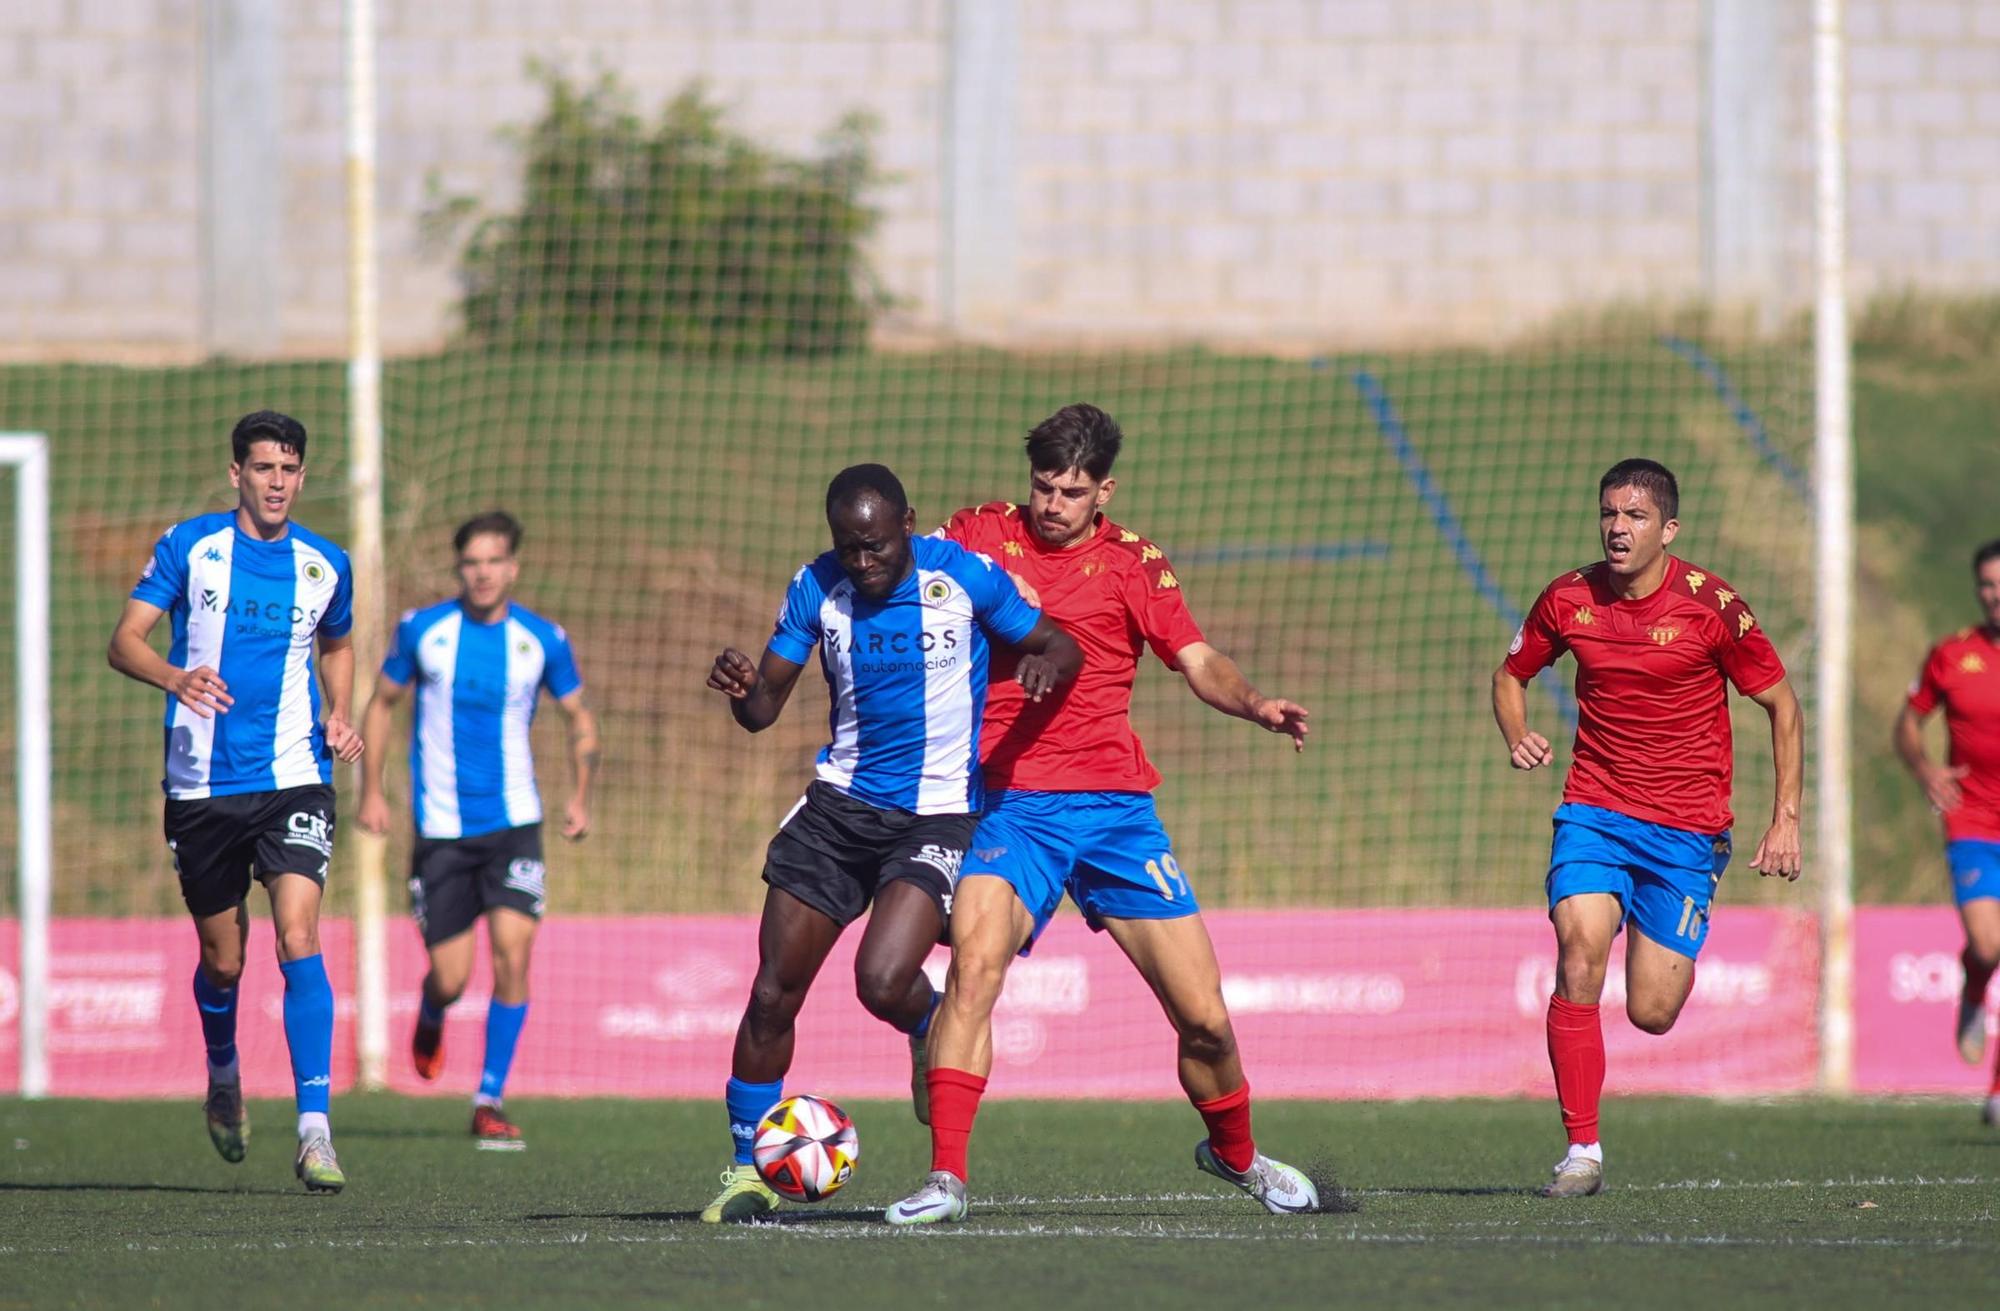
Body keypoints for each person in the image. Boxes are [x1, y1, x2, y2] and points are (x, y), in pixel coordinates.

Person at [885, 404, 1320, 1227]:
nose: (1052, 504)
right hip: (1010, 808)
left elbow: (1198, 659)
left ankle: (1236, 1154)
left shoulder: (1133, 563)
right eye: (1043, 487)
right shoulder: (981, 533)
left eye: (1072, 491)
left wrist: (1256, 701)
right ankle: (945, 1177)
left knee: (1205, 1019)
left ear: (1104, 491)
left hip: (1117, 813)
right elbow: (898, 572)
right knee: (976, 972)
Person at [700, 463, 1081, 1223]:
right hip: (839, 811)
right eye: (849, 548)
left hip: (936, 815)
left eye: (876, 545)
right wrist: (745, 688)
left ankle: (922, 1021)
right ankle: (745, 1171)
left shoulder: (962, 577)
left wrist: (1042, 658)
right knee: (773, 992)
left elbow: (1059, 643)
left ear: (908, 524)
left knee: (880, 978)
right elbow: (763, 710)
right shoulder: (816, 587)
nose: (864, 562)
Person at [1493, 457, 1803, 1198]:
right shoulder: (1568, 598)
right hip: (1594, 812)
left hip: (1687, 830)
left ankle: (1669, 919)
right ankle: (1582, 1151)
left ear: (1668, 529)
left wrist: (1785, 815)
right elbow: (1511, 674)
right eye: (1609, 513)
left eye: (1634, 516)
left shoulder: (1712, 605)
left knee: (1652, 1011)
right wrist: (1516, 732)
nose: (1617, 528)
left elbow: (1782, 704)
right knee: (1578, 950)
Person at [107, 410, 364, 1193]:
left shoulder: (326, 564)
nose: (277, 482)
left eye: (289, 468)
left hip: (294, 774)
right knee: (224, 958)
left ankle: (315, 1133)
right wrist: (176, 677)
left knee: (298, 931)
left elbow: (339, 642)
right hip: (202, 786)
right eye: (262, 468)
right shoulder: (192, 547)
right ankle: (223, 1071)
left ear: (301, 476)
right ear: (236, 475)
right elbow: (125, 639)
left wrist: (339, 710)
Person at [356, 510, 599, 1147]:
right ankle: (433, 1011)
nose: (483, 573)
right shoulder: (424, 632)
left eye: (494, 561)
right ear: (458, 568)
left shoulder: (542, 640)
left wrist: (579, 796)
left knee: (515, 956)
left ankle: (488, 1096)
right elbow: (380, 704)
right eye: (471, 562)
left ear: (512, 568)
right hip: (440, 831)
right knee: (452, 977)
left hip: (515, 826)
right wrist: (371, 792)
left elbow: (579, 718)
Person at [1893, 538, 2000, 1126]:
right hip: (1974, 820)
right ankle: (1973, 984)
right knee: (1989, 945)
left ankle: (1997, 1089)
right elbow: (1908, 723)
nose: (1995, 595)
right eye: (1987, 584)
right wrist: (1925, 767)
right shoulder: (1953, 655)